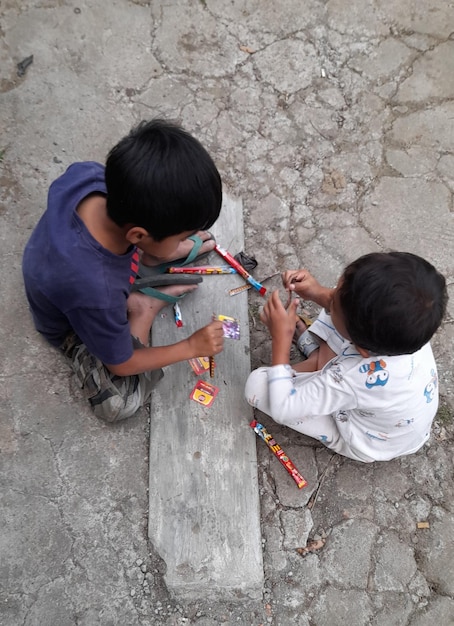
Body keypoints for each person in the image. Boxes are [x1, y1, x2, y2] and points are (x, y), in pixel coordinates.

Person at [23, 119, 225, 422]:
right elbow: (122, 365)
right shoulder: (98, 291)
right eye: (183, 237)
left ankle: (159, 255)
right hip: (69, 320)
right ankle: (143, 310)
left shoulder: (92, 177)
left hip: (63, 264)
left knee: (150, 252)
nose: (188, 240)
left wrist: (170, 244)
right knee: (120, 405)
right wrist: (190, 346)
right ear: (138, 237)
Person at [245, 252, 448, 463]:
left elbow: (283, 408)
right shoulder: (410, 327)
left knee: (256, 384)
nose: (329, 295)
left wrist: (281, 340)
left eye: (331, 299)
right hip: (393, 417)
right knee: (349, 312)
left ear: (361, 349)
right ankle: (318, 360)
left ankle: (317, 362)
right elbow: (349, 311)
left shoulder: (352, 378)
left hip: (366, 442)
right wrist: (316, 292)